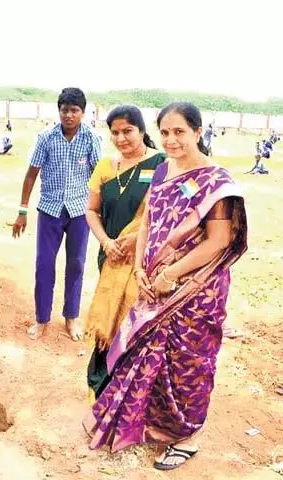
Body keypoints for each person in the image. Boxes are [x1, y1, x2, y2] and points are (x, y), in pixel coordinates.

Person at [83, 102, 248, 471]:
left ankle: (188, 435)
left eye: (180, 132)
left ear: (198, 132)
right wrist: (143, 267)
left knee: (188, 361)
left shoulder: (215, 180)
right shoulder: (161, 170)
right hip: (154, 281)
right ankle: (156, 426)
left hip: (196, 290)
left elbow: (218, 240)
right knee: (152, 355)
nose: (172, 140)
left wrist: (171, 276)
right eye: (166, 132)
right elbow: (147, 223)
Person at [83, 105, 166, 401]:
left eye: (128, 131)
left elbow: (166, 214)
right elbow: (91, 211)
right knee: (111, 315)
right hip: (112, 256)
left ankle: (132, 389)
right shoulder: (105, 166)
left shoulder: (161, 165)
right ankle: (103, 385)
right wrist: (106, 242)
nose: (121, 138)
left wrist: (134, 239)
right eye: (115, 132)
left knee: (134, 319)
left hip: (145, 259)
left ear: (142, 130)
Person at [12, 87, 102, 341]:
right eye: (65, 110)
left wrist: (99, 211)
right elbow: (31, 174)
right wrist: (22, 210)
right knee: (44, 265)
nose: (69, 115)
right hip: (50, 211)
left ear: (83, 113)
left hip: (78, 212)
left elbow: (98, 177)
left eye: (74, 111)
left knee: (76, 264)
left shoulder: (91, 139)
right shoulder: (46, 137)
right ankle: (42, 319)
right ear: (59, 111)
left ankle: (71, 317)